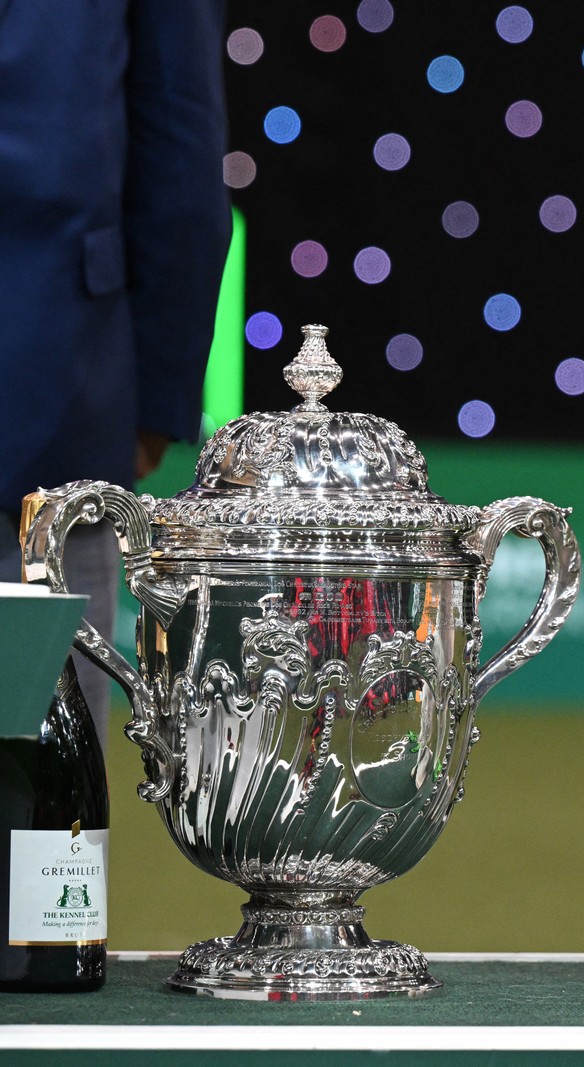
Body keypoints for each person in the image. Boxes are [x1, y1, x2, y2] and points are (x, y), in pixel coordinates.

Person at [0, 1, 231, 748]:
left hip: (51, 419)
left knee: (40, 822)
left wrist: (156, 400)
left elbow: (181, 127)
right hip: (60, 403)